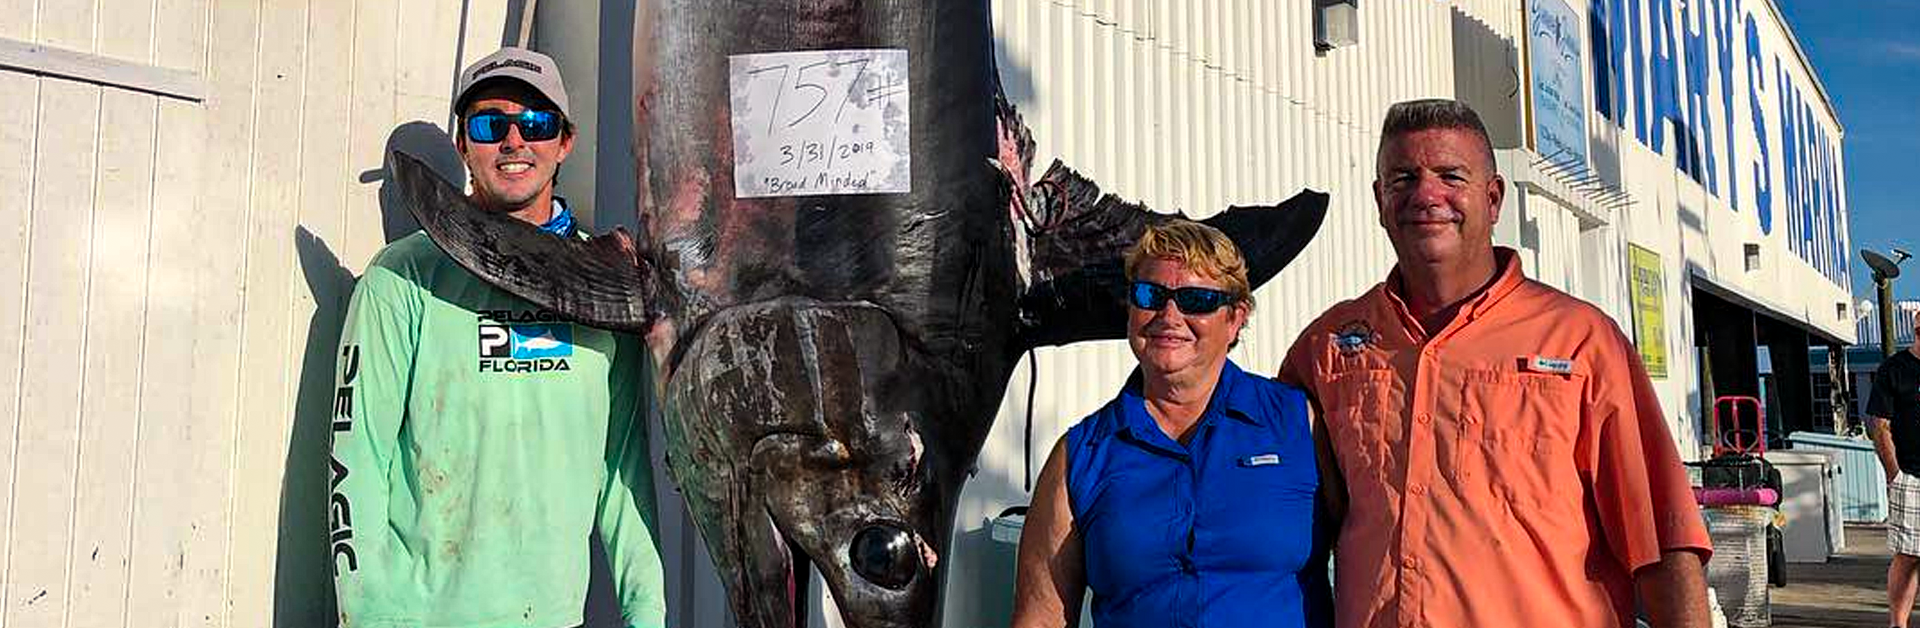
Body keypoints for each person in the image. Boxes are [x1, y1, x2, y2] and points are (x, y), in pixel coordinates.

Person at [1278, 98, 1711, 628]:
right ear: (1379, 199)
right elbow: (1275, 508)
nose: (1426, 194)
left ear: (1494, 197)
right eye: (1403, 178)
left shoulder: (1581, 341)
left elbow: (1662, 537)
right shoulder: (1326, 348)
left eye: (1450, 176)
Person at [328, 47, 665, 628]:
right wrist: (368, 616)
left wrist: (648, 615)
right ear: (464, 145)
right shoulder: (399, 278)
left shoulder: (610, 288)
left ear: (565, 143)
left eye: (535, 123)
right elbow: (355, 462)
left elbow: (622, 472)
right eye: (489, 124)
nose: (513, 141)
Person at [1011, 220, 1333, 628]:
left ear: (1236, 318)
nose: (1169, 315)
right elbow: (1040, 619)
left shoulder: (1299, 426)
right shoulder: (1080, 456)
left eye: (1196, 299)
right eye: (1150, 295)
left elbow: (1372, 558)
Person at [1868, 318, 1920, 628]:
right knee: (1909, 555)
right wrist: (1895, 474)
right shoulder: (1894, 369)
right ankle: (1897, 624)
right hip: (1911, 476)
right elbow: (1879, 425)